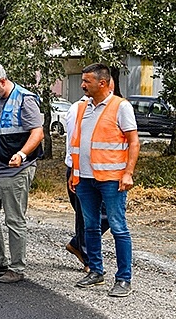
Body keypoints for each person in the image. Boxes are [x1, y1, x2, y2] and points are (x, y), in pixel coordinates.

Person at [68, 63, 139, 297]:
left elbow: (133, 142)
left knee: (118, 227)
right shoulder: (81, 107)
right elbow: (77, 144)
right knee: (90, 226)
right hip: (85, 179)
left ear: (102, 83)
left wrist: (128, 172)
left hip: (112, 179)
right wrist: (75, 173)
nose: (82, 84)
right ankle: (96, 271)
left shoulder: (121, 106)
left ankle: (123, 278)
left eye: (86, 81)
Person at [0, 62, 44, 283]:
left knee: (14, 219)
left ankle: (17, 267)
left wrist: (22, 154)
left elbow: (37, 133)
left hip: (15, 170)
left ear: (2, 81)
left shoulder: (25, 99)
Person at [63, 80, 115, 272]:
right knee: (85, 216)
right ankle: (88, 258)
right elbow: (73, 141)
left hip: (105, 170)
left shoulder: (112, 107)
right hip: (80, 170)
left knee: (106, 215)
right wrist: (75, 169)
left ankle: (78, 242)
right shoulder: (78, 108)